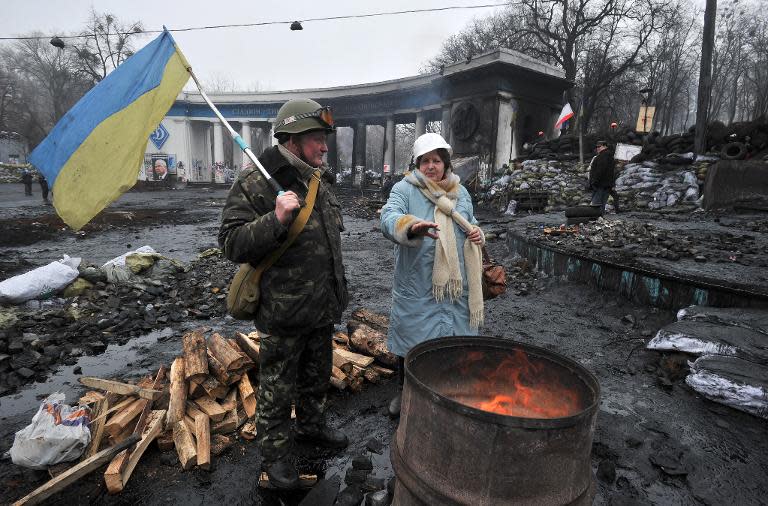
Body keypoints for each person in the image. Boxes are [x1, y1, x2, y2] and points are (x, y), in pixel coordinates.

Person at [218, 98, 349, 490]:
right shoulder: (257, 181)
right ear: (291, 139)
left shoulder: (317, 179)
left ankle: (312, 428)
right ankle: (275, 459)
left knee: (316, 376)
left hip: (322, 305)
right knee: (277, 388)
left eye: (324, 138)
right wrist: (274, 220)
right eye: (316, 139)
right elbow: (231, 243)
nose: (324, 146)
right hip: (283, 311)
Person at [380, 132, 485, 417]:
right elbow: (388, 217)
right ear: (416, 164)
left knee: (454, 337)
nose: (430, 166)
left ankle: (449, 389)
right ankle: (405, 392)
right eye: (424, 160)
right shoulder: (404, 189)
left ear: (445, 163)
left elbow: (469, 221)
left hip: (454, 283)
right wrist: (411, 226)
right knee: (410, 339)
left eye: (436, 160)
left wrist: (477, 231)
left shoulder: (460, 192)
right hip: (419, 282)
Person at [588, 140, 620, 213]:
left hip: (600, 184)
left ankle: (594, 218)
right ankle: (599, 217)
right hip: (607, 184)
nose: (597, 148)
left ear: (605, 146)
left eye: (599, 146)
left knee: (595, 204)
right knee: (602, 203)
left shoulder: (602, 157)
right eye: (597, 147)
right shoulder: (610, 156)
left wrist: (594, 182)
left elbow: (600, 170)